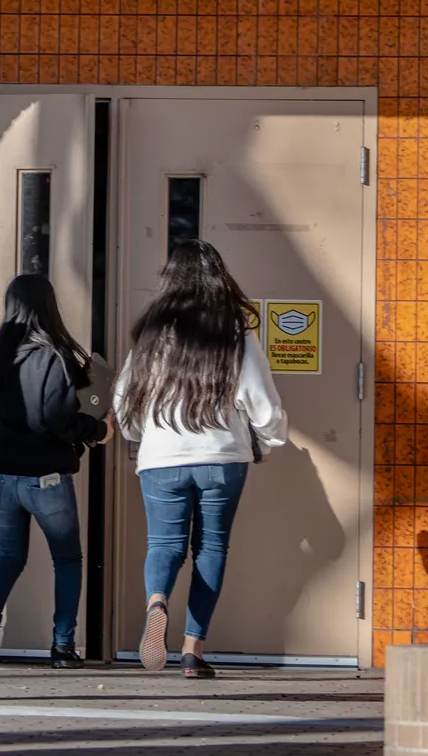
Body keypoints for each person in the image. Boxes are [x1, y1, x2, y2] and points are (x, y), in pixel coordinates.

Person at [112, 239, 287, 679]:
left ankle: (157, 601)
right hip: (221, 458)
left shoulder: (151, 336)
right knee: (211, 547)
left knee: (164, 545)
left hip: (161, 458)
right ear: (218, 278)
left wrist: (140, 437)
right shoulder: (234, 333)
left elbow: (122, 400)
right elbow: (262, 404)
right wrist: (267, 441)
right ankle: (193, 650)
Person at [0, 274, 113, 670]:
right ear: (49, 306)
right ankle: (63, 647)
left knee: (10, 554)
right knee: (66, 559)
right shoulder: (55, 356)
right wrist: (99, 430)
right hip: (45, 475)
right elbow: (56, 419)